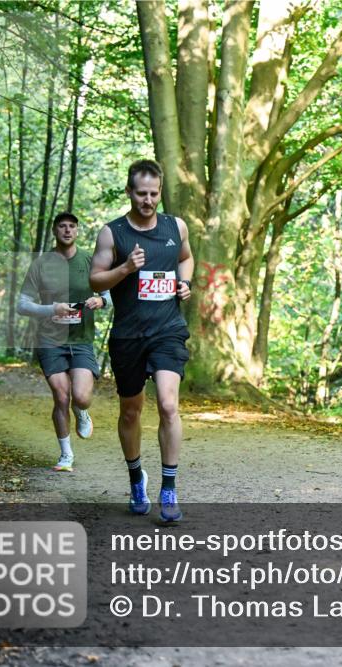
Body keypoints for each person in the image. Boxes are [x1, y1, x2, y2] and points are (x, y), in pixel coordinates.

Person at [90, 159, 193, 523]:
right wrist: (125, 269)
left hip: (167, 330)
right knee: (131, 411)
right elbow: (96, 281)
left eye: (153, 194)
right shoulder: (112, 233)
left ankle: (169, 488)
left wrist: (186, 283)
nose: (147, 200)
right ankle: (136, 479)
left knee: (168, 405)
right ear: (129, 192)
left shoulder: (174, 226)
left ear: (160, 192)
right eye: (141, 194)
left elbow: (187, 257)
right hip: (129, 335)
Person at [18, 212, 110, 472]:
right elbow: (22, 305)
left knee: (80, 397)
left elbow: (110, 295)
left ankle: (81, 412)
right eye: (62, 226)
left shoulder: (90, 261)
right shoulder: (41, 264)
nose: (67, 230)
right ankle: (66, 455)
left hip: (81, 341)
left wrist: (101, 301)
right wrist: (51, 309)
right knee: (61, 396)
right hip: (50, 341)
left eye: (72, 226)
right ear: (54, 231)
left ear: (77, 232)